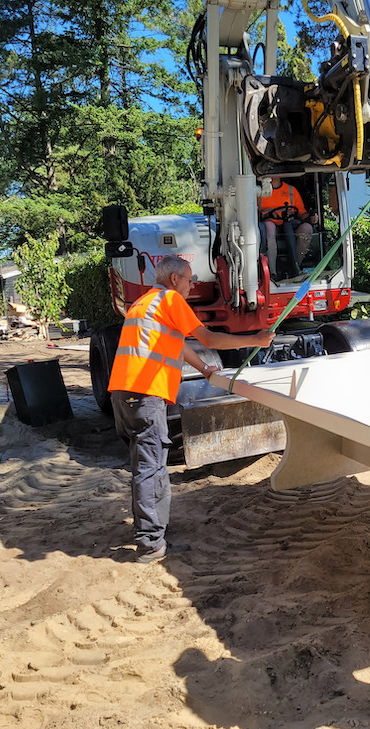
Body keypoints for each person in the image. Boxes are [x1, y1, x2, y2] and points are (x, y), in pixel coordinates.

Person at [107, 256, 274, 564]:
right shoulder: (170, 299)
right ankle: (150, 544)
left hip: (125, 395)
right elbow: (207, 338)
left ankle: (154, 532)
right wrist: (256, 340)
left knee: (149, 465)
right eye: (188, 279)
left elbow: (177, 344)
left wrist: (204, 368)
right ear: (174, 280)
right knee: (150, 468)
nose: (192, 284)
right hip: (145, 395)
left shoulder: (145, 302)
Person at [259, 176, 316, 280]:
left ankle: (295, 267)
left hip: (289, 223)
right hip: (269, 225)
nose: (272, 178)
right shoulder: (259, 192)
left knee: (307, 228)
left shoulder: (290, 190)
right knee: (269, 227)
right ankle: (272, 272)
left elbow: (302, 214)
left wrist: (311, 217)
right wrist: (267, 215)